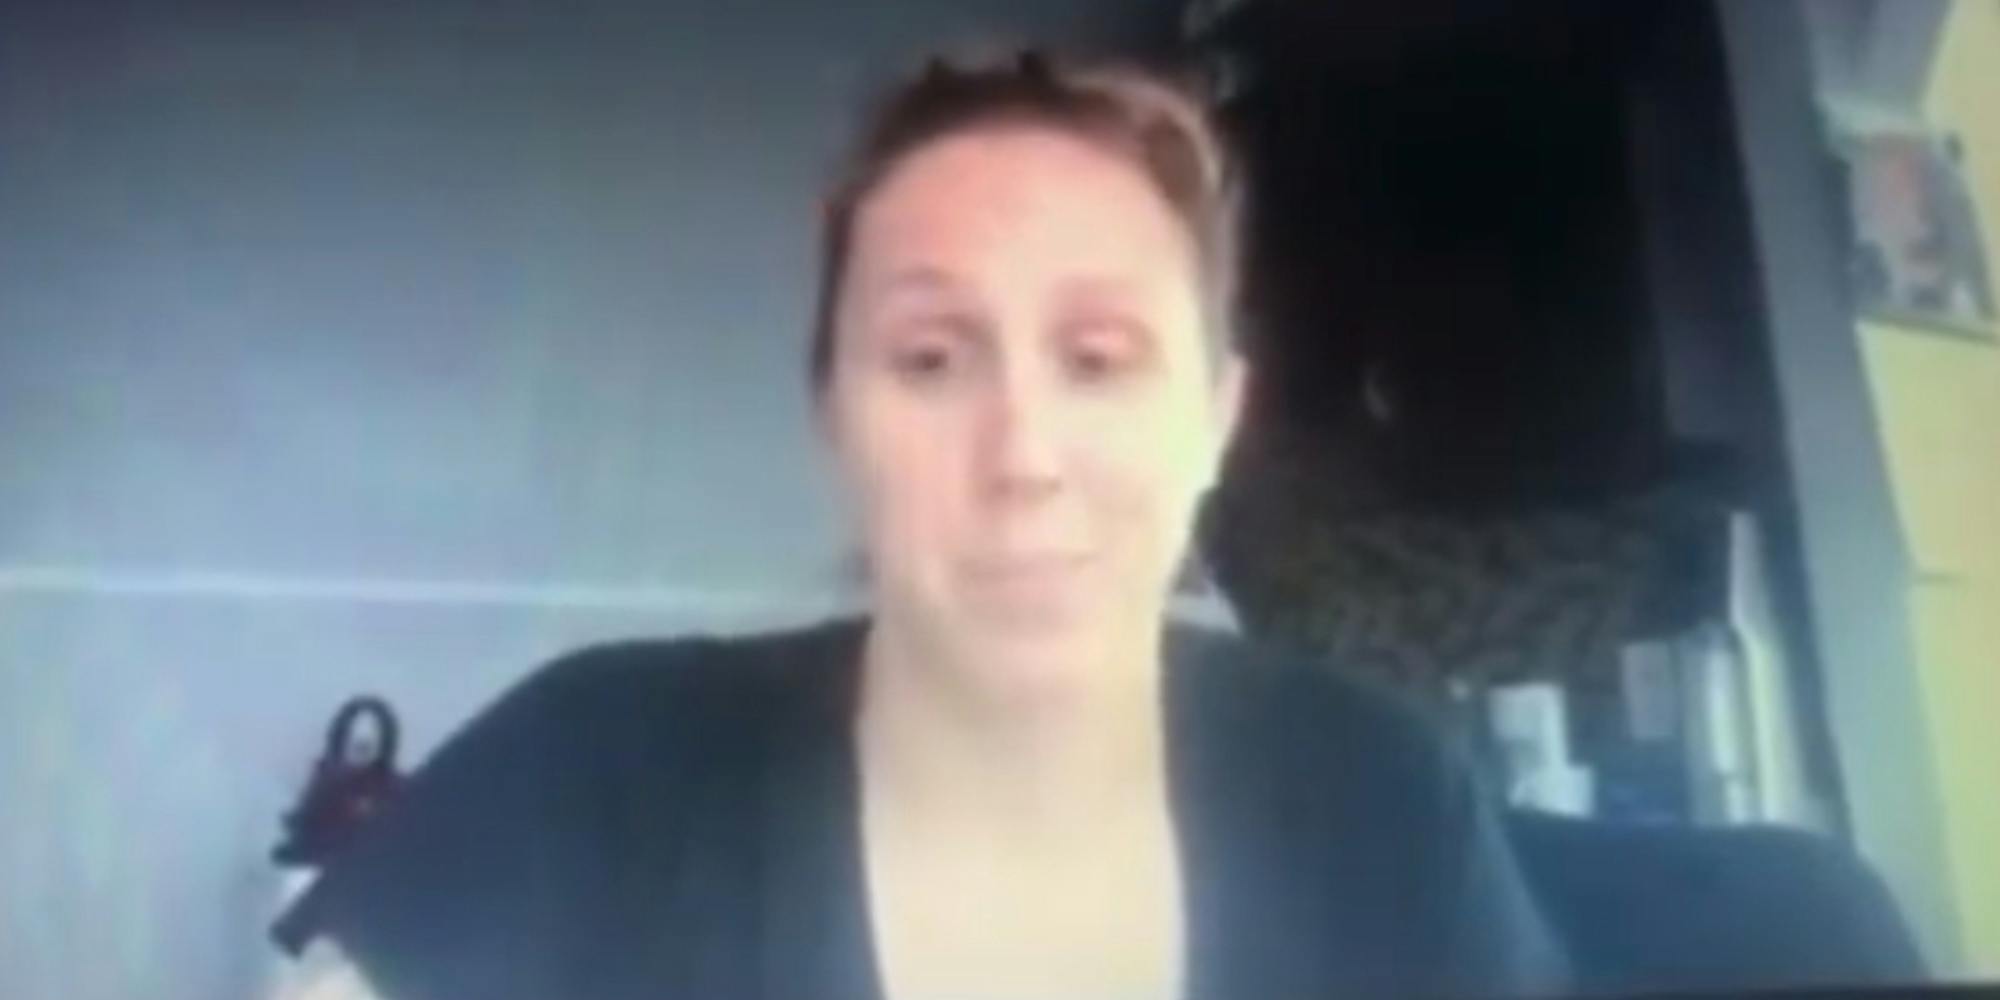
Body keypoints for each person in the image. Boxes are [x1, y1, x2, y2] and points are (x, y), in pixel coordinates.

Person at [282, 50, 1571, 1000]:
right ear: (834, 415)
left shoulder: (1382, 806)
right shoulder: (588, 775)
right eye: (934, 358)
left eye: (1101, 358)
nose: (1022, 457)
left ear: (1216, 421)